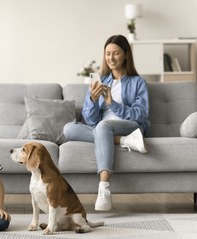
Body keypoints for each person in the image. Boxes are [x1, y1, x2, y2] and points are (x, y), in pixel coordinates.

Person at [63, 34, 150, 211]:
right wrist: (93, 101)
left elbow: (140, 114)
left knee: (103, 127)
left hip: (130, 127)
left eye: (116, 53)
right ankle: (123, 142)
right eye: (107, 53)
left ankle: (103, 188)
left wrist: (112, 104)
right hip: (103, 129)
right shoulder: (101, 81)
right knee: (68, 129)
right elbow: (91, 120)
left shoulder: (138, 82)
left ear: (126, 54)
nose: (111, 58)